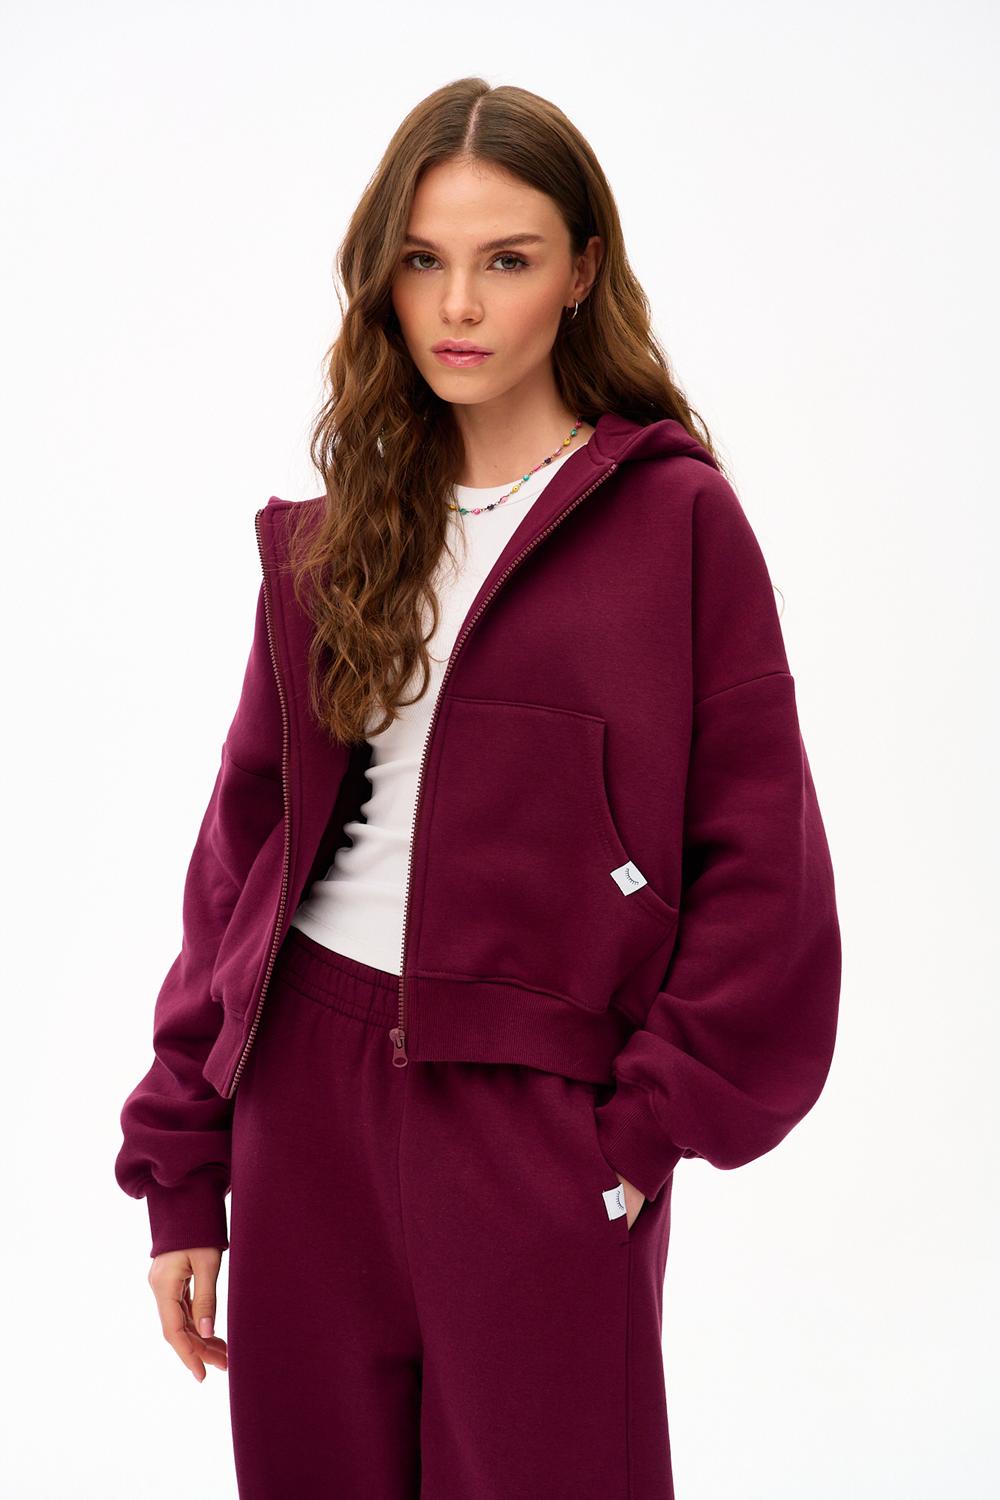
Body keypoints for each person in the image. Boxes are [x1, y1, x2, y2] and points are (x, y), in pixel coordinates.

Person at [115, 77, 841, 1500]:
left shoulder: (677, 521)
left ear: (580, 272)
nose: (459, 304)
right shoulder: (334, 541)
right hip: (304, 1093)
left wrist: (639, 1133)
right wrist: (184, 1161)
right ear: (381, 279)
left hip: (536, 1118)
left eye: (506, 259)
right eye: (422, 260)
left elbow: (764, 866)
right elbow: (243, 863)